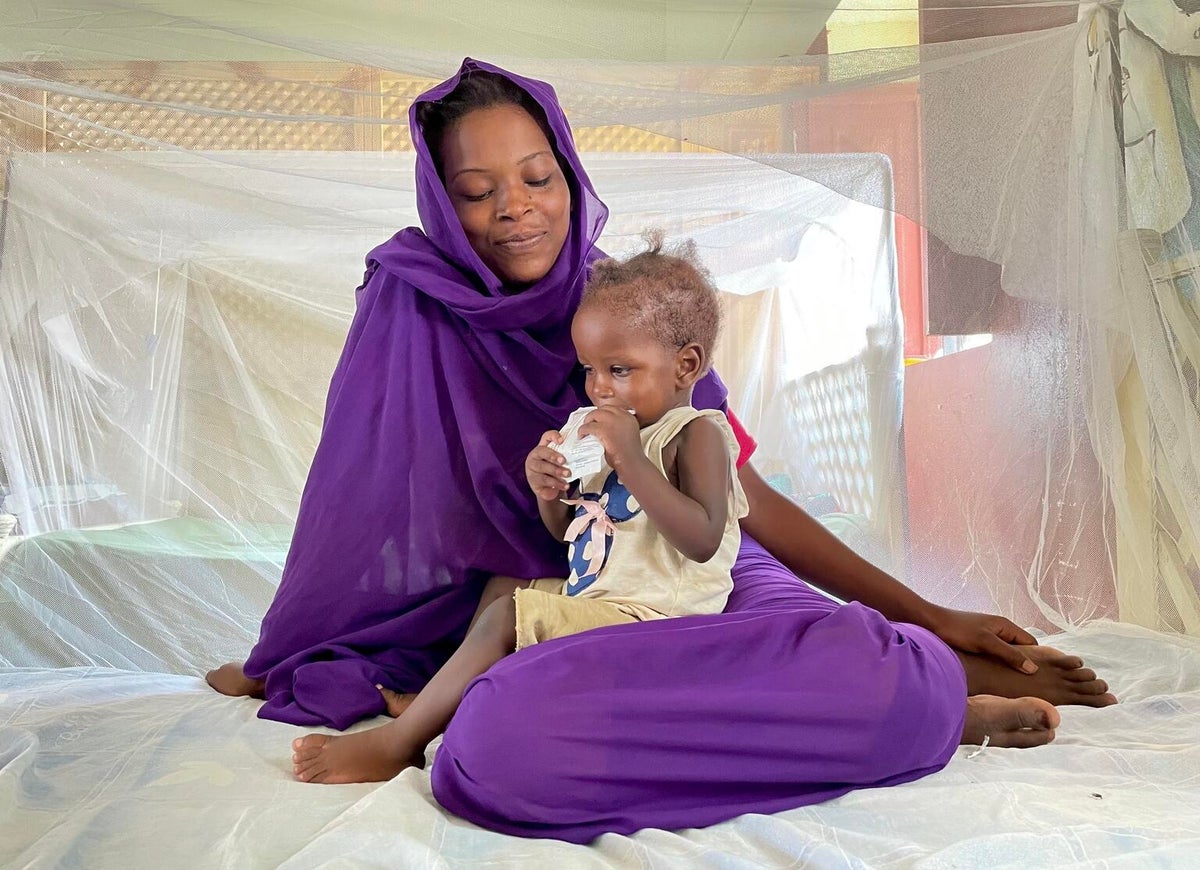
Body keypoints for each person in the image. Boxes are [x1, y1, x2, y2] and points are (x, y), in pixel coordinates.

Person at [207, 59, 1115, 840]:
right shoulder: (413, 303)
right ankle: (911, 696)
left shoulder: (627, 307)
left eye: (538, 178)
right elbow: (355, 500)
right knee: (505, 718)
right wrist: (286, 648)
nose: (516, 209)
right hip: (560, 584)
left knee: (829, 647)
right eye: (478, 193)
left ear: (570, 174)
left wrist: (933, 612)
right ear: (443, 206)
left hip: (691, 563)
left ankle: (929, 680)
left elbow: (740, 508)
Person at [291, 235, 754, 783]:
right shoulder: (593, 429)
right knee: (507, 588)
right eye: (588, 369)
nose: (599, 389)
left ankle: (399, 743)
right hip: (603, 604)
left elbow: (703, 540)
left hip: (659, 623)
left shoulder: (695, 434)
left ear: (686, 365)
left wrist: (630, 459)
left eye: (620, 370)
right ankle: (442, 702)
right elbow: (569, 535)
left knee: (507, 617)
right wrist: (548, 490)